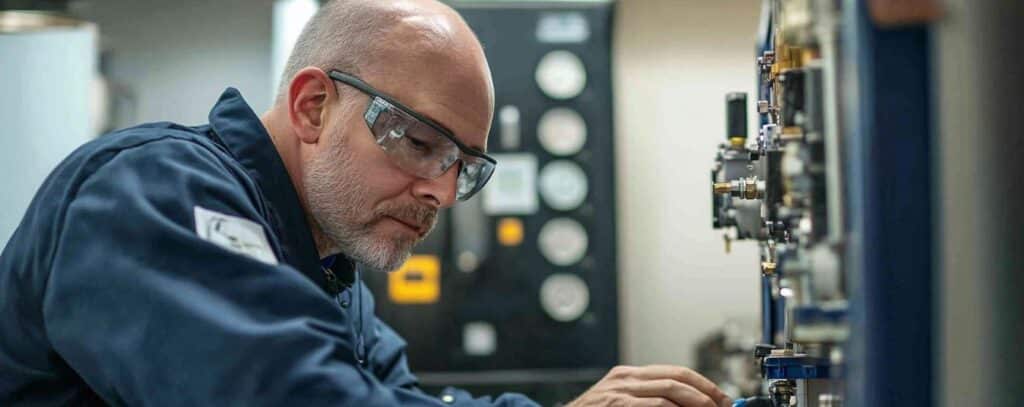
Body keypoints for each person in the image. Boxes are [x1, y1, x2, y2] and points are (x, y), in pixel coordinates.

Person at [0, 0, 732, 406]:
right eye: (419, 144)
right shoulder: (154, 193)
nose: (442, 192)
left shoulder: (326, 264)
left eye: (462, 168)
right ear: (314, 105)